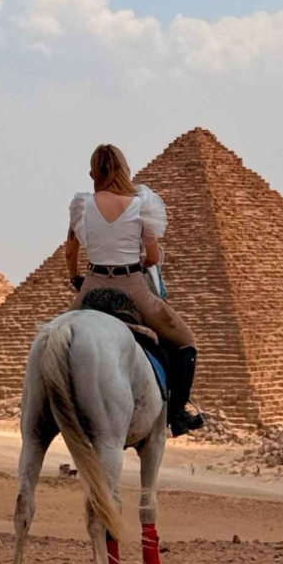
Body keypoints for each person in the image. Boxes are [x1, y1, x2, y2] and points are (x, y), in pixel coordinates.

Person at [66, 144, 204, 436]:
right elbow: (153, 258)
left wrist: (75, 279)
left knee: (55, 339)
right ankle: (178, 413)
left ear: (94, 172)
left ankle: (47, 410)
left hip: (93, 282)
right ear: (124, 170)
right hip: (133, 286)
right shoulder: (143, 205)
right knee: (184, 340)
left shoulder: (82, 205)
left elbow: (70, 252)